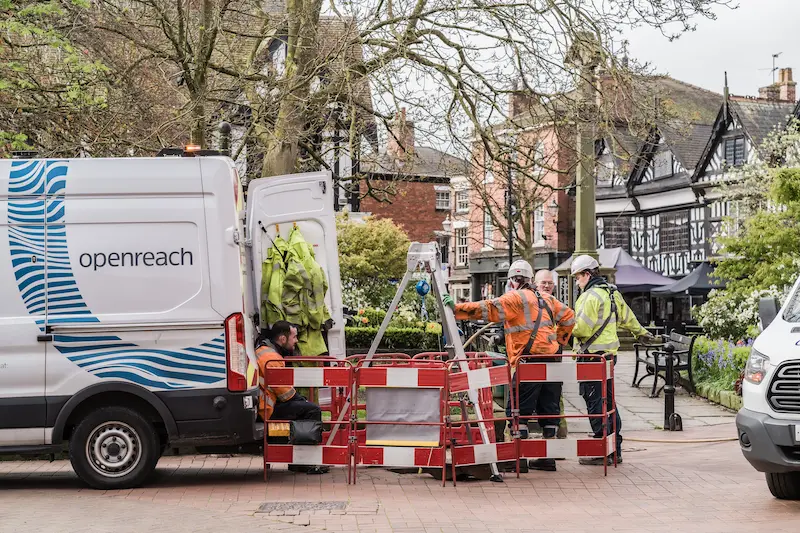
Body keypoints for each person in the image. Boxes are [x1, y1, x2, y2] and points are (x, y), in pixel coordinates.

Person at [444, 259, 575, 472]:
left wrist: (456, 308)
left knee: (518, 410)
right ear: (530, 279)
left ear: (513, 280)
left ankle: (518, 460)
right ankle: (548, 458)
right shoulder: (547, 299)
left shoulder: (515, 298)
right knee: (548, 408)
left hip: (528, 361)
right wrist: (559, 341)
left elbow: (487, 309)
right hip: (552, 360)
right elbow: (569, 316)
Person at [570, 255, 656, 465]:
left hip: (591, 357)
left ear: (587, 274)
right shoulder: (611, 294)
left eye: (578, 277)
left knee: (594, 401)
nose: (576, 281)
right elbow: (628, 317)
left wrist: (560, 328)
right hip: (609, 357)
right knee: (608, 402)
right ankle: (614, 447)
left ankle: (603, 450)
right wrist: (641, 333)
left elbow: (581, 329)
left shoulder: (590, 297)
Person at [256, 320, 328, 474]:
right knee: (312, 410)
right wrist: (303, 400)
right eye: (294, 337)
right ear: (283, 339)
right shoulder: (271, 358)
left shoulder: (267, 352)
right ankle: (304, 462)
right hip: (269, 409)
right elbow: (286, 395)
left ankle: (298, 460)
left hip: (268, 406)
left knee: (304, 407)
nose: (296, 341)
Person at [534, 270, 568, 441]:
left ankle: (559, 441)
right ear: (535, 284)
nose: (546, 286)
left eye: (549, 283)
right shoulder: (531, 305)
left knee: (555, 401)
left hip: (554, 359)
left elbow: (569, 322)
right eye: (543, 283)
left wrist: (559, 343)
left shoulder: (557, 306)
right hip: (536, 359)